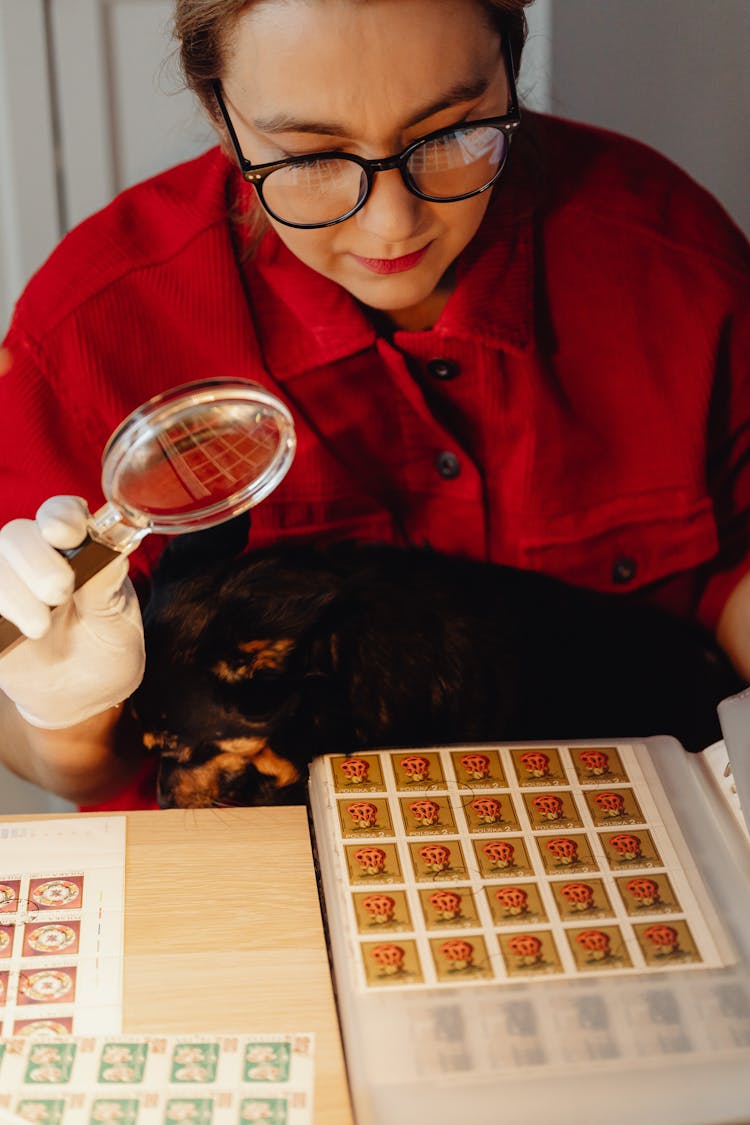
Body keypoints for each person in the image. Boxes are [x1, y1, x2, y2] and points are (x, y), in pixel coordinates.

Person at [0, 0, 748, 811]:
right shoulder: (92, 329)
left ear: (511, 58)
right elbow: (81, 771)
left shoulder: (671, 263)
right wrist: (64, 714)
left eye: (453, 129)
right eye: (311, 156)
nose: (392, 224)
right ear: (219, 111)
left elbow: (735, 570)